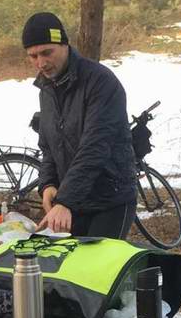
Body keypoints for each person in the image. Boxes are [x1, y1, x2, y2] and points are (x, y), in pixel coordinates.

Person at [22, 12, 137, 239]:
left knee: (99, 271)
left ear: (64, 44)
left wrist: (65, 200)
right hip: (74, 201)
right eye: (33, 56)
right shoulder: (47, 89)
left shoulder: (101, 82)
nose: (41, 63)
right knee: (68, 270)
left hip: (110, 199)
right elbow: (48, 147)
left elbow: (95, 147)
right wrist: (48, 185)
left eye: (47, 53)